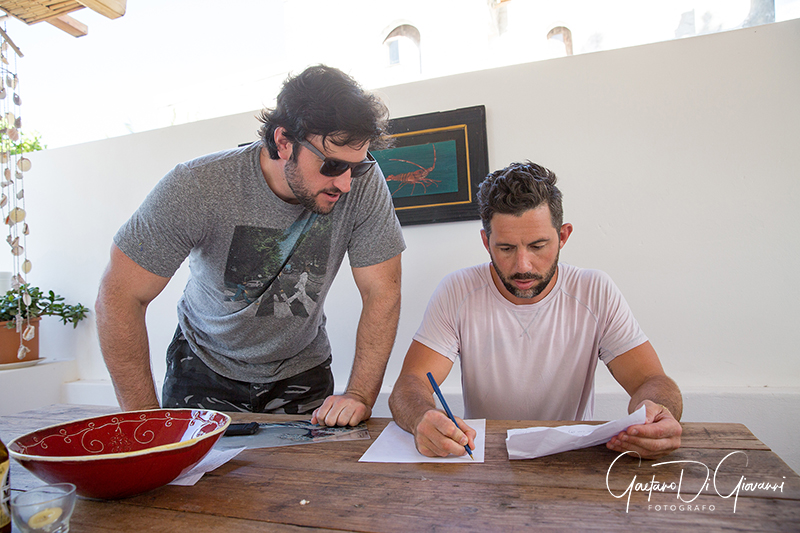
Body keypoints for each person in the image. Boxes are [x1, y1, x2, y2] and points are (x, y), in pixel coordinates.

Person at [96, 65, 405, 427]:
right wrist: (145, 425)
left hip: (302, 370)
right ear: (285, 142)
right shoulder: (198, 185)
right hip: (204, 366)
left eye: (357, 167)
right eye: (333, 164)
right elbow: (118, 297)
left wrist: (359, 395)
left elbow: (383, 292)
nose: (346, 183)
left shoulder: (363, 185)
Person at [389, 161, 682, 459]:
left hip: (568, 458)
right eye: (505, 249)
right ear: (486, 242)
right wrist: (421, 418)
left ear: (563, 236)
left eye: (538, 246)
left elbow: (652, 382)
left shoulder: (595, 290)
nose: (523, 266)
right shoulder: (457, 290)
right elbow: (410, 384)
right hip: (483, 456)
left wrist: (656, 413)